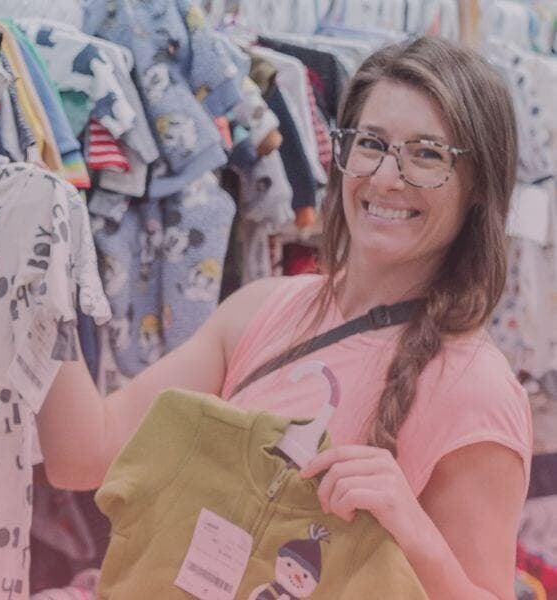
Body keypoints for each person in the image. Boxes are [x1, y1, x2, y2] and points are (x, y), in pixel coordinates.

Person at [38, 36, 530, 598]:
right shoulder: (262, 311)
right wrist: (38, 260)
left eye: (427, 154)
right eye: (371, 142)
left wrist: (411, 529)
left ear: (477, 188)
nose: (387, 178)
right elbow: (82, 456)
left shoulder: (475, 391)